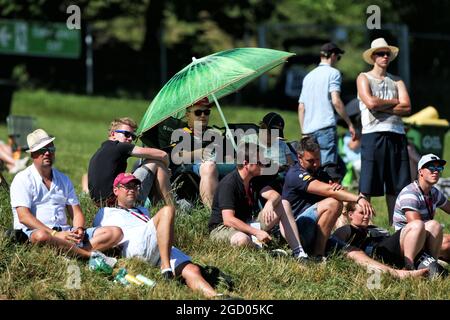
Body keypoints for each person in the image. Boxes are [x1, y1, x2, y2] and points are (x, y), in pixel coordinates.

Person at [93, 172, 227, 298]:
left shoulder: (142, 210)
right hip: (136, 245)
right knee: (167, 210)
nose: (132, 189)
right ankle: (166, 268)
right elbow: (101, 235)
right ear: (116, 190)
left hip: (156, 246)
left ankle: (214, 297)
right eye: (127, 186)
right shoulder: (106, 212)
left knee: (192, 269)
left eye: (135, 186)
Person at [9, 129, 122, 260]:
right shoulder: (22, 179)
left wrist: (78, 229)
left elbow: (76, 212)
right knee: (41, 237)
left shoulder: (63, 179)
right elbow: (24, 217)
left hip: (65, 232)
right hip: (37, 233)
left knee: (115, 232)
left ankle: (73, 252)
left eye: (50, 149)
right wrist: (54, 233)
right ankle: (86, 255)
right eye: (42, 150)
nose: (47, 153)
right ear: (33, 154)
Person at [208, 142, 308, 260]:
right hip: (222, 228)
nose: (263, 166)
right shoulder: (229, 184)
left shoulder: (254, 178)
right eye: (259, 163)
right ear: (246, 164)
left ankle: (299, 252)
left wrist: (270, 204)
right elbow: (228, 220)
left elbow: (274, 195)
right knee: (242, 240)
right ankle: (265, 252)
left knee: (283, 204)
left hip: (246, 224)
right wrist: (256, 232)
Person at [282, 136, 375, 258]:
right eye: (310, 160)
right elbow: (330, 191)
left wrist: (339, 190)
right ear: (300, 158)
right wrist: (358, 198)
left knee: (354, 252)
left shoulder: (321, 173)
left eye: (318, 159)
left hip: (317, 232)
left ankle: (400, 273)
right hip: (297, 232)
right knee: (333, 203)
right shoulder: (295, 174)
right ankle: (318, 255)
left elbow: (336, 192)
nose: (316, 164)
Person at [357, 38, 412, 225]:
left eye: (387, 53)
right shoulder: (363, 77)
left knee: (397, 186)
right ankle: (362, 226)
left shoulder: (397, 80)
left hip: (397, 134)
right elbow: (370, 103)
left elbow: (407, 108)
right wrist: (395, 102)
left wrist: (381, 106)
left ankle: (396, 227)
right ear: (373, 56)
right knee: (367, 184)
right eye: (381, 53)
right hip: (373, 134)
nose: (385, 56)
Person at [334, 202, 441, 273]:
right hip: (380, 252)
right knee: (417, 224)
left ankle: (433, 263)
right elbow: (333, 245)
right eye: (362, 213)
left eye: (368, 213)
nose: (366, 216)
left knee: (434, 225)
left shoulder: (372, 228)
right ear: (350, 215)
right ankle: (409, 266)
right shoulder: (348, 229)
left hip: (392, 247)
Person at [88, 117, 172, 207]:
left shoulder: (102, 150)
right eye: (126, 134)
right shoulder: (119, 146)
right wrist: (166, 169)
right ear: (113, 134)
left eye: (133, 136)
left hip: (101, 204)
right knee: (156, 162)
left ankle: (158, 206)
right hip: (117, 202)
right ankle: (172, 206)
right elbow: (163, 155)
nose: (130, 138)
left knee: (142, 171)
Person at [298, 42, 356, 168]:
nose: (337, 60)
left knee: (313, 167)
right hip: (325, 126)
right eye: (338, 57)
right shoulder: (333, 73)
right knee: (328, 167)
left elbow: (301, 107)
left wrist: (304, 132)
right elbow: (336, 101)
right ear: (333, 55)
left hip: (308, 130)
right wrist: (349, 123)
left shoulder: (308, 76)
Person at [172, 98, 235, 208]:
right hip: (193, 169)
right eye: (198, 112)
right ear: (187, 115)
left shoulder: (215, 133)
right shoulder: (181, 133)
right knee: (209, 167)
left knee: (246, 165)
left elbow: (230, 159)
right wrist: (197, 153)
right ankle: (213, 213)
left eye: (206, 112)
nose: (203, 116)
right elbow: (176, 156)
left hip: (219, 165)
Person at [393, 154, 450, 262]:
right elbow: (417, 227)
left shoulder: (433, 192)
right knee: (445, 242)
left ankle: (435, 260)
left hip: (423, 235)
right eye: (431, 167)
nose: (436, 171)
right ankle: (430, 262)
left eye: (439, 168)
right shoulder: (410, 193)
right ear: (420, 172)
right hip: (407, 242)